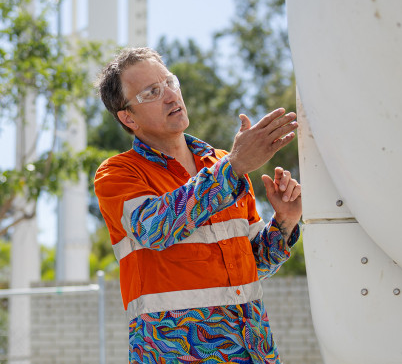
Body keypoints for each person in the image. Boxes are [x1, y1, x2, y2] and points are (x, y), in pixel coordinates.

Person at [93, 47, 302, 363]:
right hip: (175, 354)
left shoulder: (220, 164)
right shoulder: (119, 174)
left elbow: (254, 265)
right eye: (152, 92)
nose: (170, 95)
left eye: (170, 82)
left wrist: (284, 220)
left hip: (253, 351)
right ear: (127, 117)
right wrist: (233, 167)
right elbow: (155, 229)